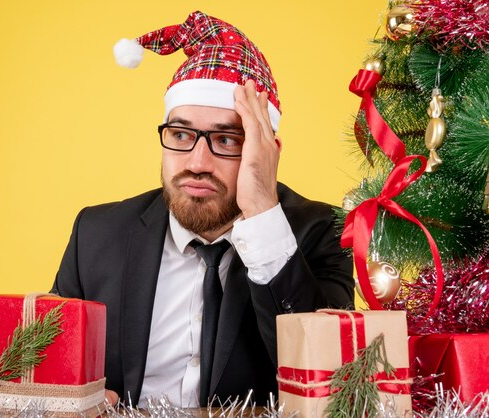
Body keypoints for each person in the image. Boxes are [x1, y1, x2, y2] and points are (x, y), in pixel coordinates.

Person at [51, 11, 354, 408]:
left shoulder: (322, 232)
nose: (197, 162)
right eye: (181, 134)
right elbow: (47, 370)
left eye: (226, 140)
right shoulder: (96, 234)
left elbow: (333, 382)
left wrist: (263, 209)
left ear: (265, 154)